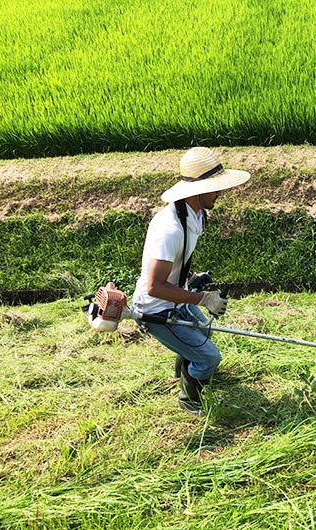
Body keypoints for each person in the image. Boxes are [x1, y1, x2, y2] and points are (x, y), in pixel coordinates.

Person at [131, 147, 250, 414]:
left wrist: (192, 279)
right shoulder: (169, 229)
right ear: (197, 189)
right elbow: (155, 287)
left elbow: (177, 263)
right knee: (210, 357)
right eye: (216, 187)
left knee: (205, 333)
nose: (220, 193)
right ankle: (189, 399)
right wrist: (203, 298)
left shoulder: (195, 215)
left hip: (176, 295)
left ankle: (187, 365)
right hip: (156, 307)